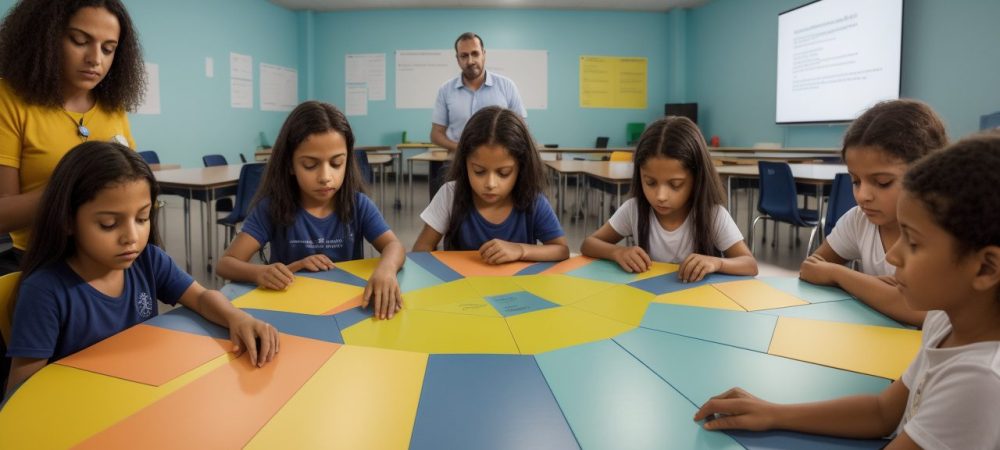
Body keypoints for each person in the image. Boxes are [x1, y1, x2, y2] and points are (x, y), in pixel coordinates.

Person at [694, 134, 1000, 450]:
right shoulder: (945, 320)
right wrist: (773, 413)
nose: (893, 256)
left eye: (914, 242)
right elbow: (883, 413)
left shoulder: (981, 381)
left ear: (986, 268)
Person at [5, 142, 279, 396]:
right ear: (66, 220)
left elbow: (200, 297)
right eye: (109, 224)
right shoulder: (44, 292)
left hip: (136, 395)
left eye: (142, 218)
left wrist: (237, 318)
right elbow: (22, 392)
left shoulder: (148, 260)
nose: (131, 237)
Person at [216, 101, 405, 320]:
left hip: (347, 311)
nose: (325, 177)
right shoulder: (271, 208)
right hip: (291, 310)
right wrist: (261, 272)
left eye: (336, 163)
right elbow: (226, 264)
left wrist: (386, 270)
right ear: (290, 165)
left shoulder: (358, 205)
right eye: (310, 165)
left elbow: (394, 245)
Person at [0, 0, 144, 276]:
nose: (95, 59)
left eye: (108, 49)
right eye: (79, 41)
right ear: (45, 37)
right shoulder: (9, 100)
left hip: (110, 264)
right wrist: (74, 188)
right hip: (42, 265)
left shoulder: (113, 107)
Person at [800, 99, 948, 327]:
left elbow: (921, 311)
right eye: (855, 181)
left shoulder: (945, 228)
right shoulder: (859, 219)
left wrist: (840, 275)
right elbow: (811, 268)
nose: (862, 196)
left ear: (927, 173)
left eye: (882, 182)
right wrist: (876, 287)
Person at [581, 116, 758, 282]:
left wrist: (717, 263)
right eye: (650, 182)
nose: (660, 196)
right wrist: (617, 252)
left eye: (675, 184)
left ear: (697, 178)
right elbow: (589, 244)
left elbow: (750, 265)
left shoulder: (713, 215)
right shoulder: (633, 210)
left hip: (701, 303)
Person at [413, 106, 569, 264]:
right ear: (464, 163)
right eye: (479, 171)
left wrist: (520, 250)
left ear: (521, 167)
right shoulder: (451, 194)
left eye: (504, 173)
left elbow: (561, 250)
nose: (490, 184)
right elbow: (421, 249)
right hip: (462, 286)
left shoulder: (533, 199)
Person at [428, 32, 527, 197]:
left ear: (484, 54)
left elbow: (521, 128)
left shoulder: (507, 86)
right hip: (457, 164)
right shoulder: (445, 91)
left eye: (475, 54)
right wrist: (461, 148)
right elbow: (436, 134)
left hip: (497, 166)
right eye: (464, 56)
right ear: (457, 59)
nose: (470, 60)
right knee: (449, 213)